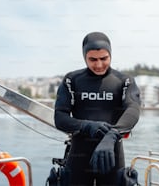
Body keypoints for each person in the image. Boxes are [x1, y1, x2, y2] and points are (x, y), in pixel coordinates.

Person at [54, 31, 141, 185]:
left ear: (111, 55)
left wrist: (113, 135)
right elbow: (60, 117)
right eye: (92, 59)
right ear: (84, 57)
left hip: (112, 155)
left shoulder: (124, 80)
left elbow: (133, 109)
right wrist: (86, 126)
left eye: (104, 58)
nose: (99, 64)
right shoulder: (72, 79)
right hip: (78, 157)